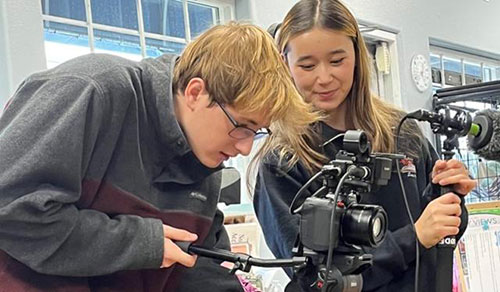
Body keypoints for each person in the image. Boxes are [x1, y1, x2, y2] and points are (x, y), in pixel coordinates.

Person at [0, 22, 320, 292]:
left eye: (257, 132)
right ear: (196, 92)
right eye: (241, 127)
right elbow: (11, 211)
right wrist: (140, 243)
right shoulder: (91, 90)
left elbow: (198, 268)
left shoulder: (203, 162)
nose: (245, 148)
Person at [252, 1, 477, 291]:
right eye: (307, 65)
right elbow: (316, 280)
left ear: (357, 56)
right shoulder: (282, 160)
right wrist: (413, 238)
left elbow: (443, 233)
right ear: (286, 64)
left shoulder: (403, 132)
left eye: (337, 61)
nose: (324, 78)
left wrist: (447, 194)